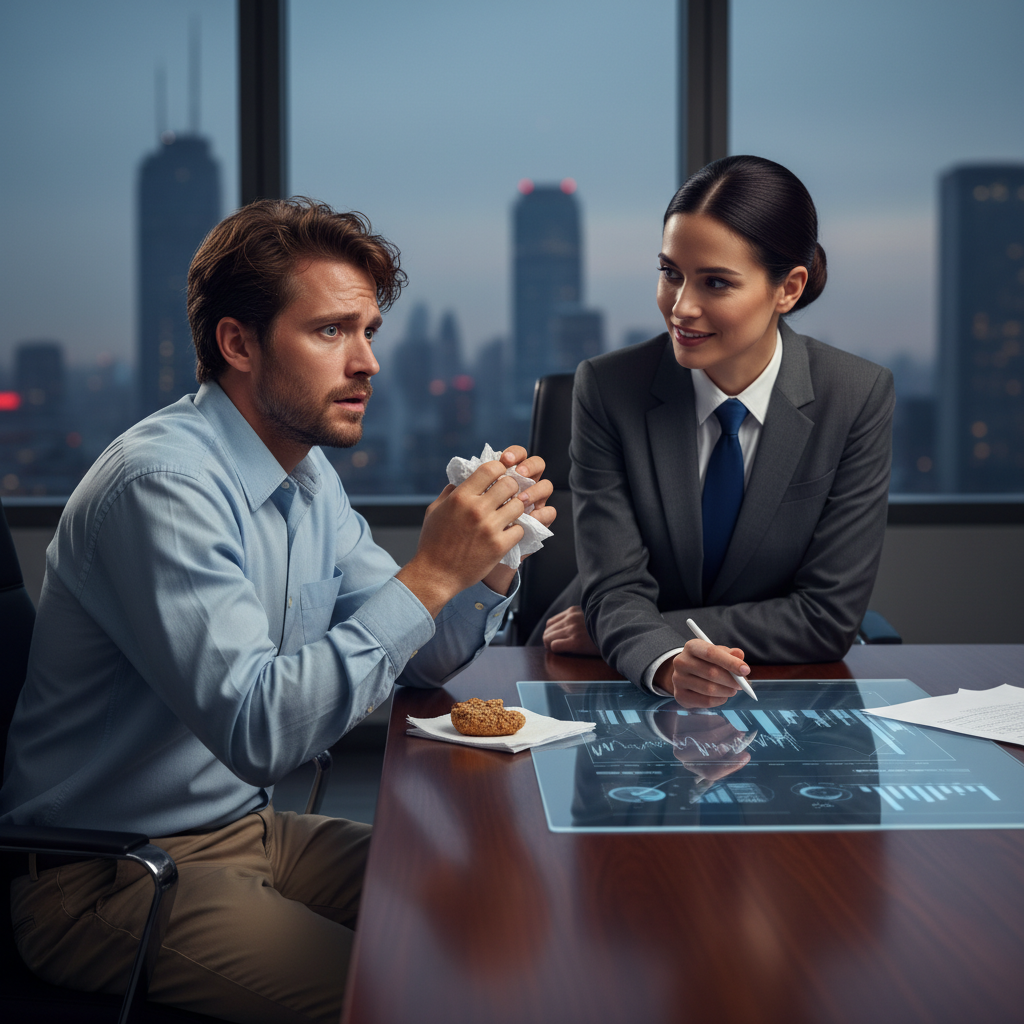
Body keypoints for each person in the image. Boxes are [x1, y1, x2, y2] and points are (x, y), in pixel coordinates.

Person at [0, 197, 555, 1023]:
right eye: (332, 331)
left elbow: (424, 657)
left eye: (370, 330)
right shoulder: (165, 488)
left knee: (510, 902)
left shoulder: (305, 477)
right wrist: (432, 570)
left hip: (250, 834)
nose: (367, 361)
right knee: (413, 995)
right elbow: (260, 731)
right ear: (238, 344)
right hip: (108, 877)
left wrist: (489, 563)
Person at [539, 155, 893, 709]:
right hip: (606, 678)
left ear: (788, 289)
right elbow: (614, 587)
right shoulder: (609, 389)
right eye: (670, 273)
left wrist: (649, 633)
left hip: (761, 685)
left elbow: (826, 618)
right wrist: (656, 655)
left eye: (716, 283)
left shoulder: (855, 396)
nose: (681, 307)